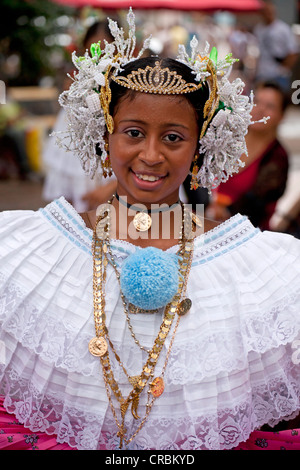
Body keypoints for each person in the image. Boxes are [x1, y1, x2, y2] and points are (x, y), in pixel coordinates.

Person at [0, 9, 299, 451]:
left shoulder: (256, 269)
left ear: (201, 147)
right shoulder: (29, 250)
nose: (152, 155)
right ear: (107, 137)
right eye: (134, 132)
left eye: (174, 137)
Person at [42, 20, 117, 212]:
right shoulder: (75, 93)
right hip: (79, 197)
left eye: (107, 48)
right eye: (94, 49)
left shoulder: (128, 93)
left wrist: (114, 189)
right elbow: (63, 156)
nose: (100, 56)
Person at [206, 81, 289, 230]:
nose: (260, 110)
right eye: (256, 102)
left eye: (270, 106)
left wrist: (221, 212)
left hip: (246, 231)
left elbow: (256, 204)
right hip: (205, 219)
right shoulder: (226, 137)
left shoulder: (278, 157)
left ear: (281, 116)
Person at [254, 0, 299, 92]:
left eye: (270, 11)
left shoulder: (283, 29)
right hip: (262, 73)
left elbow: (293, 52)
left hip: (278, 75)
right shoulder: (258, 29)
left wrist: (283, 69)